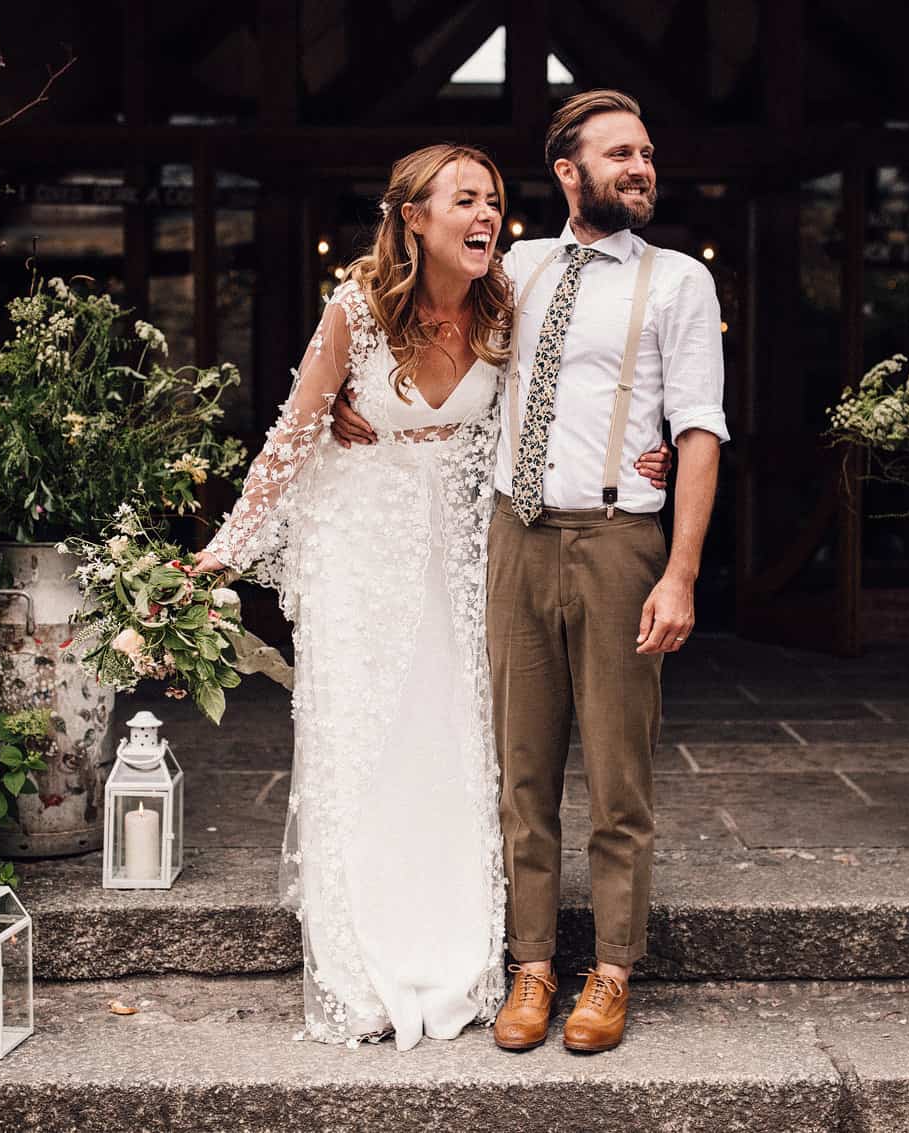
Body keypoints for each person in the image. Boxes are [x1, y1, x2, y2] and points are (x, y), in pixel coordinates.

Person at [193, 144, 670, 1050]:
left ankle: (457, 949)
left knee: (461, 750)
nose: (486, 215)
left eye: (492, 199)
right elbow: (289, 442)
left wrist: (655, 449)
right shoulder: (356, 310)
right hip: (361, 560)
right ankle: (364, 953)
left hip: (463, 558)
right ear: (413, 217)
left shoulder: (511, 305)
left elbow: (583, 388)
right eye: (464, 200)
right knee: (367, 748)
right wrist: (221, 554)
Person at [335, 89, 727, 1054]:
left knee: (619, 772)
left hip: (618, 539)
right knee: (523, 768)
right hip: (515, 536)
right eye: (621, 154)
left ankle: (613, 971)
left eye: (647, 153)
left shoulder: (678, 280)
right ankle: (534, 965)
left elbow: (698, 432)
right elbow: (416, 320)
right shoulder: (513, 265)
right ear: (569, 173)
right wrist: (357, 401)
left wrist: (678, 572)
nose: (642, 168)